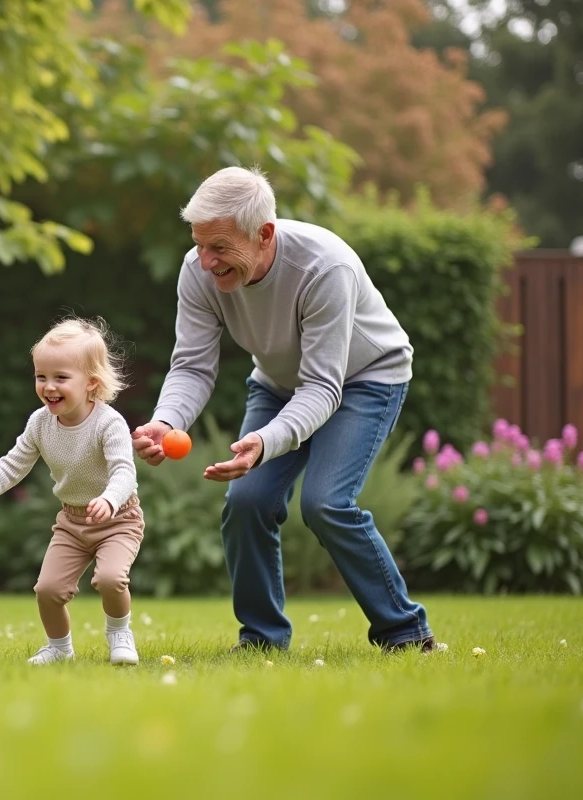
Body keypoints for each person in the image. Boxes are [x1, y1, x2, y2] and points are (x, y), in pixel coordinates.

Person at [131, 166, 435, 653]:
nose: (205, 261)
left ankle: (406, 633)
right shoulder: (197, 271)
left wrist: (266, 441)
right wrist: (167, 421)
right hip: (278, 385)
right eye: (200, 244)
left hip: (366, 379)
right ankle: (263, 640)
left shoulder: (323, 267)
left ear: (264, 234)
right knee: (247, 502)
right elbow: (191, 366)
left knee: (326, 504)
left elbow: (323, 386)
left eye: (220, 248)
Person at [0, 318, 144, 666]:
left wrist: (109, 500)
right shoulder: (40, 423)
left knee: (110, 579)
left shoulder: (109, 423)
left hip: (118, 518)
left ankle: (119, 633)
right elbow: (13, 464)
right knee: (47, 591)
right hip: (72, 522)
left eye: (61, 378)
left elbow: (125, 471)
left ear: (91, 382)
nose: (49, 387)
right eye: (41, 377)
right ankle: (59, 648)